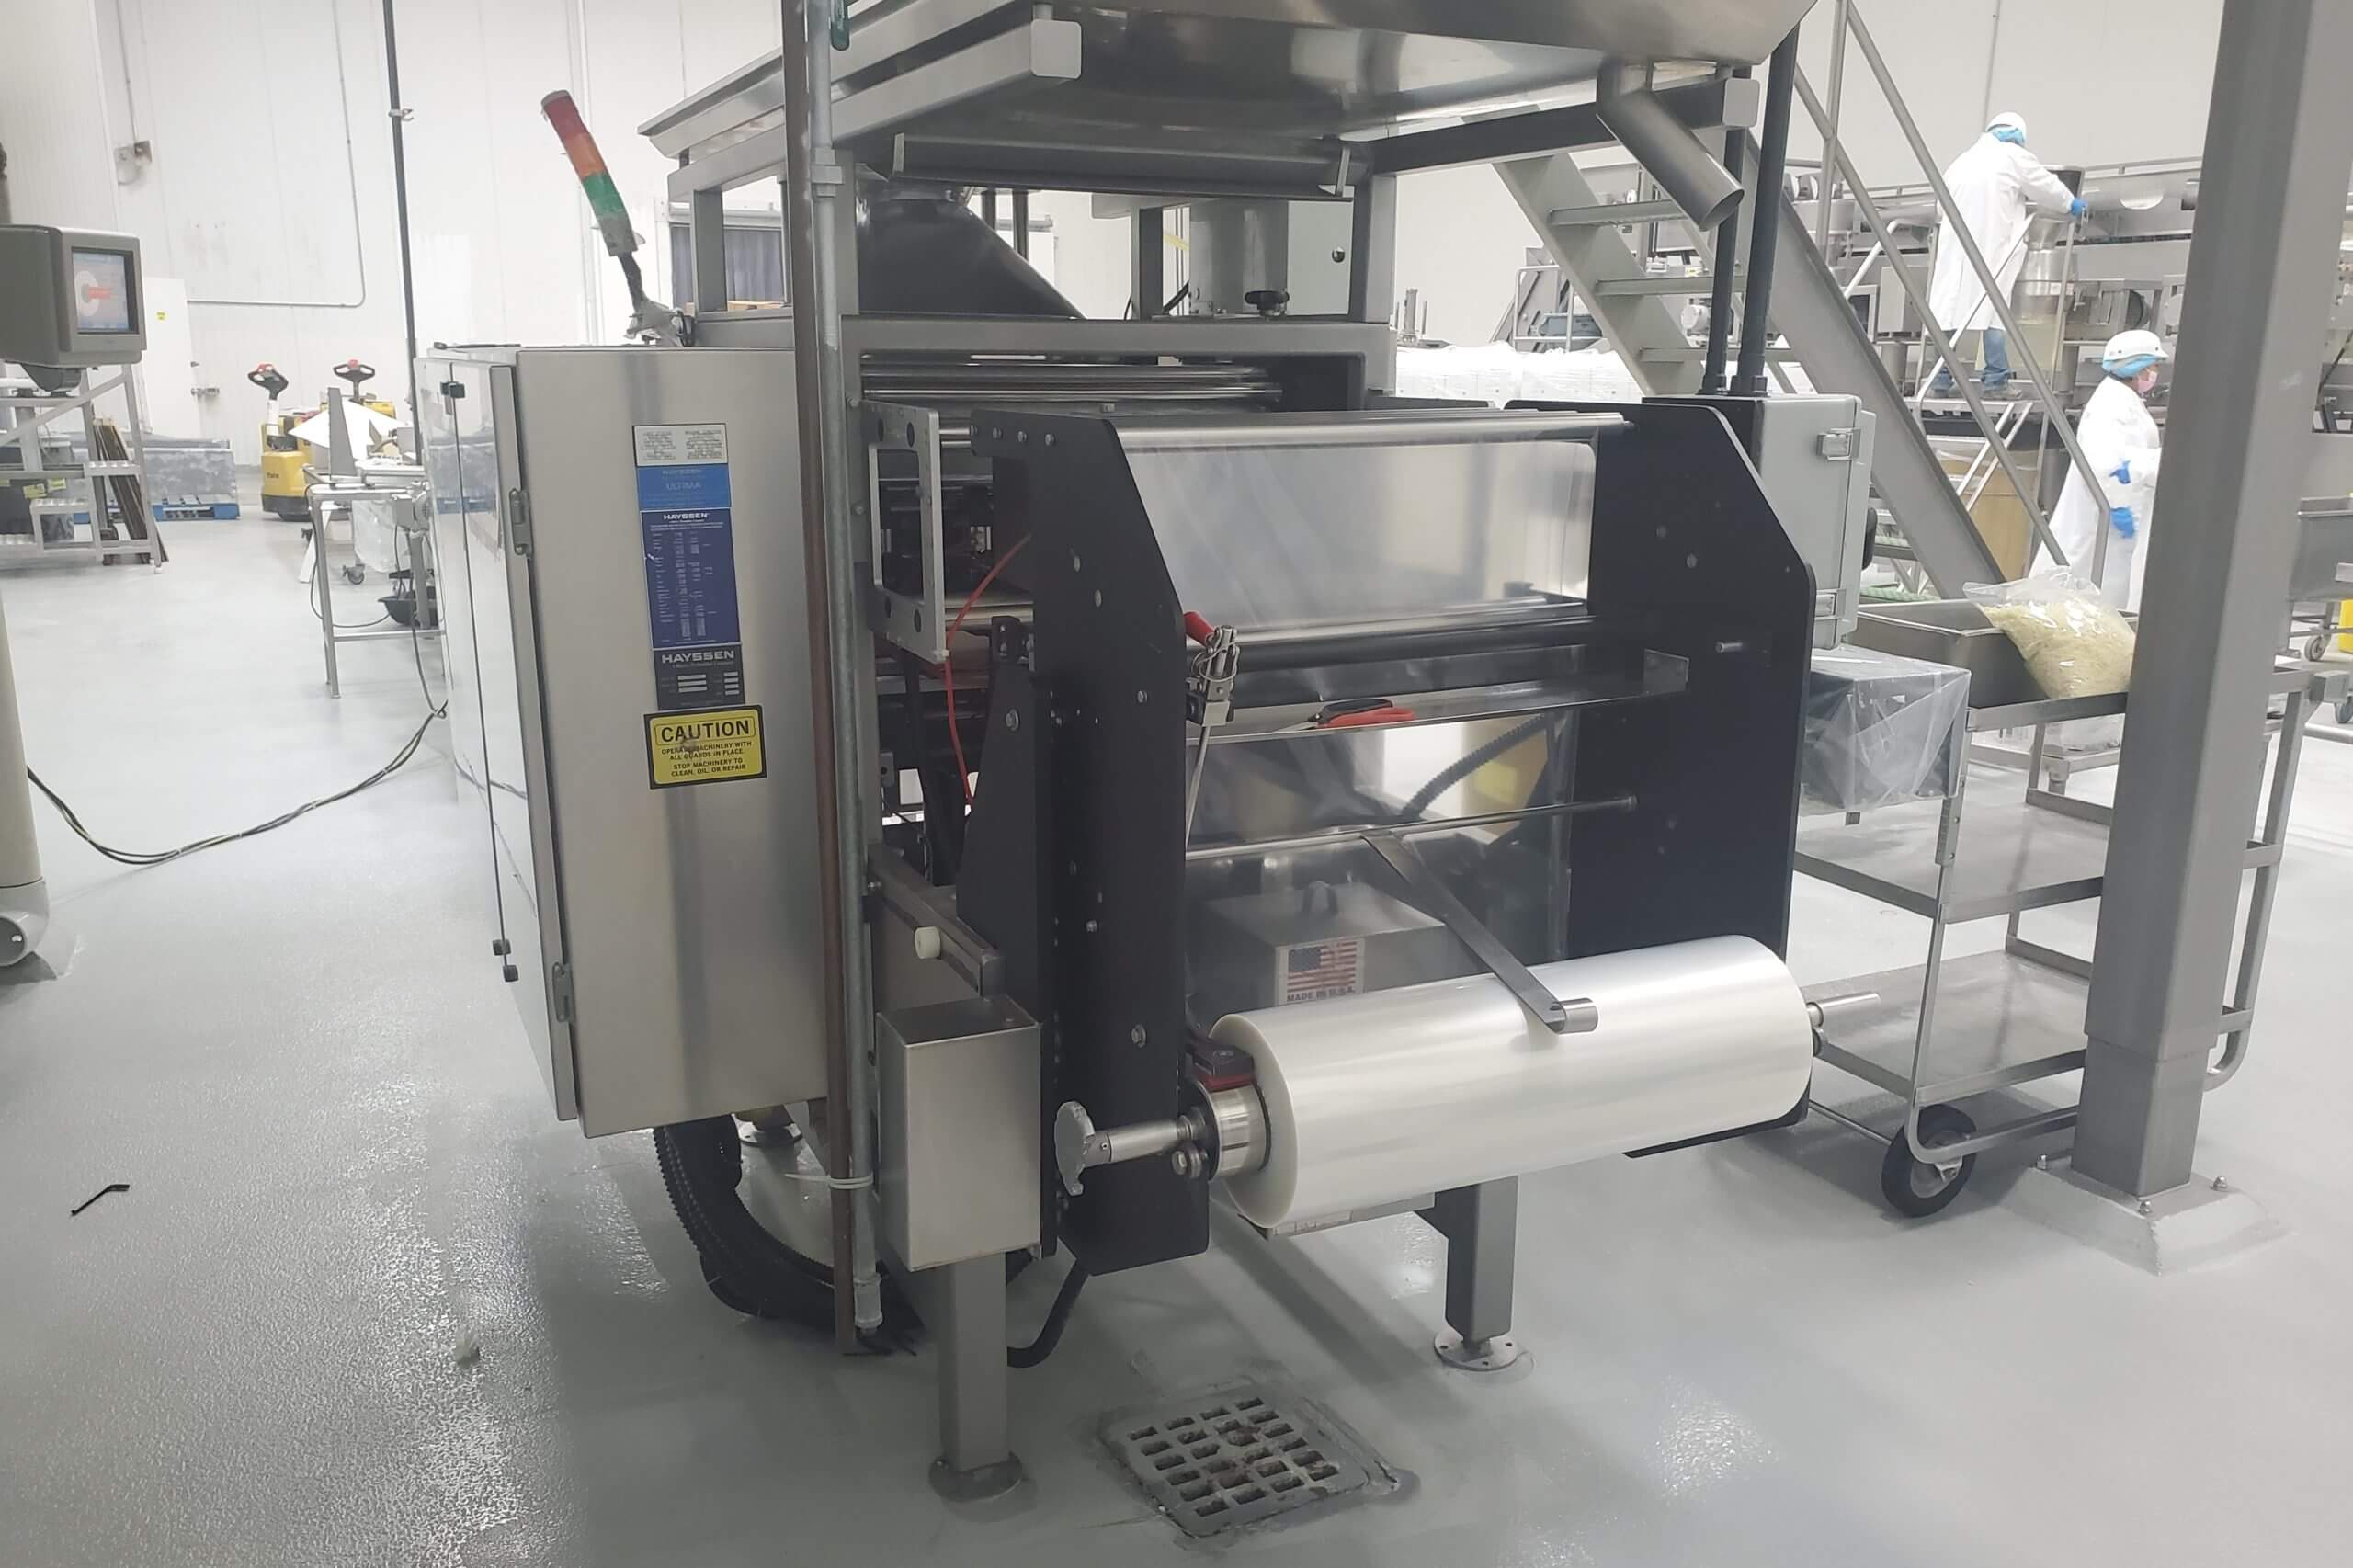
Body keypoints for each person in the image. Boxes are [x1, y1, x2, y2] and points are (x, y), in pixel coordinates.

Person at [1926, 113, 2087, 396]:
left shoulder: (1962, 161)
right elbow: (2045, 186)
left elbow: (1940, 208)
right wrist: (2071, 204)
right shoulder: (2013, 156)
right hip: (1994, 246)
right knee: (1993, 311)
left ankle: (1939, 380)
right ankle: (1995, 380)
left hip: (1956, 249)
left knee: (1948, 310)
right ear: (2019, 137)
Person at [2048, 329, 2168, 609]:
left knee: (2108, 584)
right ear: (2137, 366)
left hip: (2120, 503)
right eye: (2153, 366)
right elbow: (2106, 463)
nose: (2155, 373)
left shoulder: (2124, 398)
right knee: (2088, 581)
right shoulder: (2109, 405)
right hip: (2107, 507)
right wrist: (2118, 502)